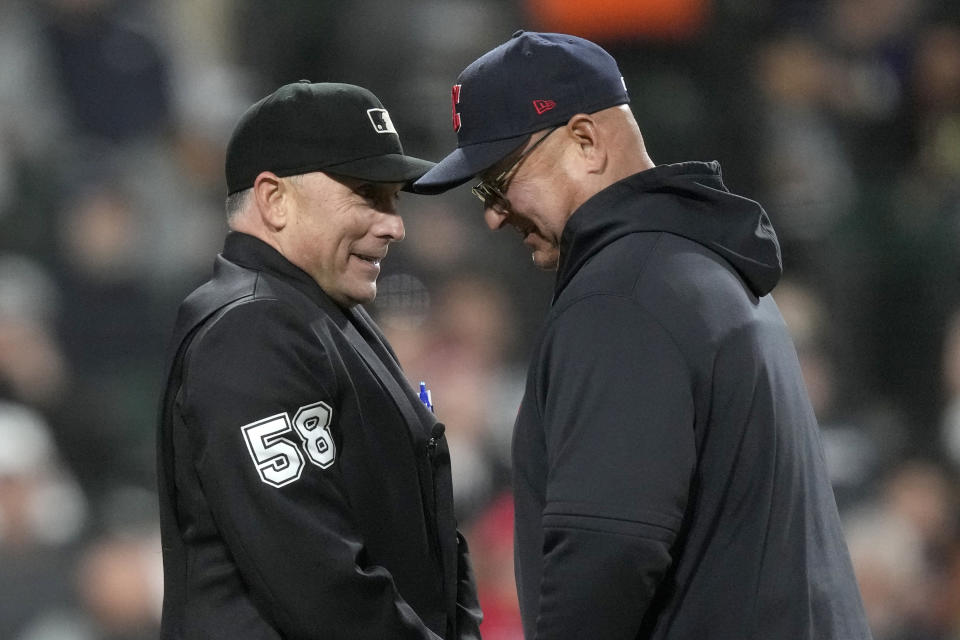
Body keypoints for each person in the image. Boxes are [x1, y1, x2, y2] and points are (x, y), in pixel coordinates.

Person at [414, 31, 872, 640]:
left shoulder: (620, 297)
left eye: (500, 179)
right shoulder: (702, 269)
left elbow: (607, 554)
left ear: (584, 141)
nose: (494, 214)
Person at [157, 81, 482, 639]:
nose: (394, 224)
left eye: (395, 198)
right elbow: (319, 581)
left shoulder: (324, 313)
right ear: (274, 199)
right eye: (367, 194)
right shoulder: (249, 330)